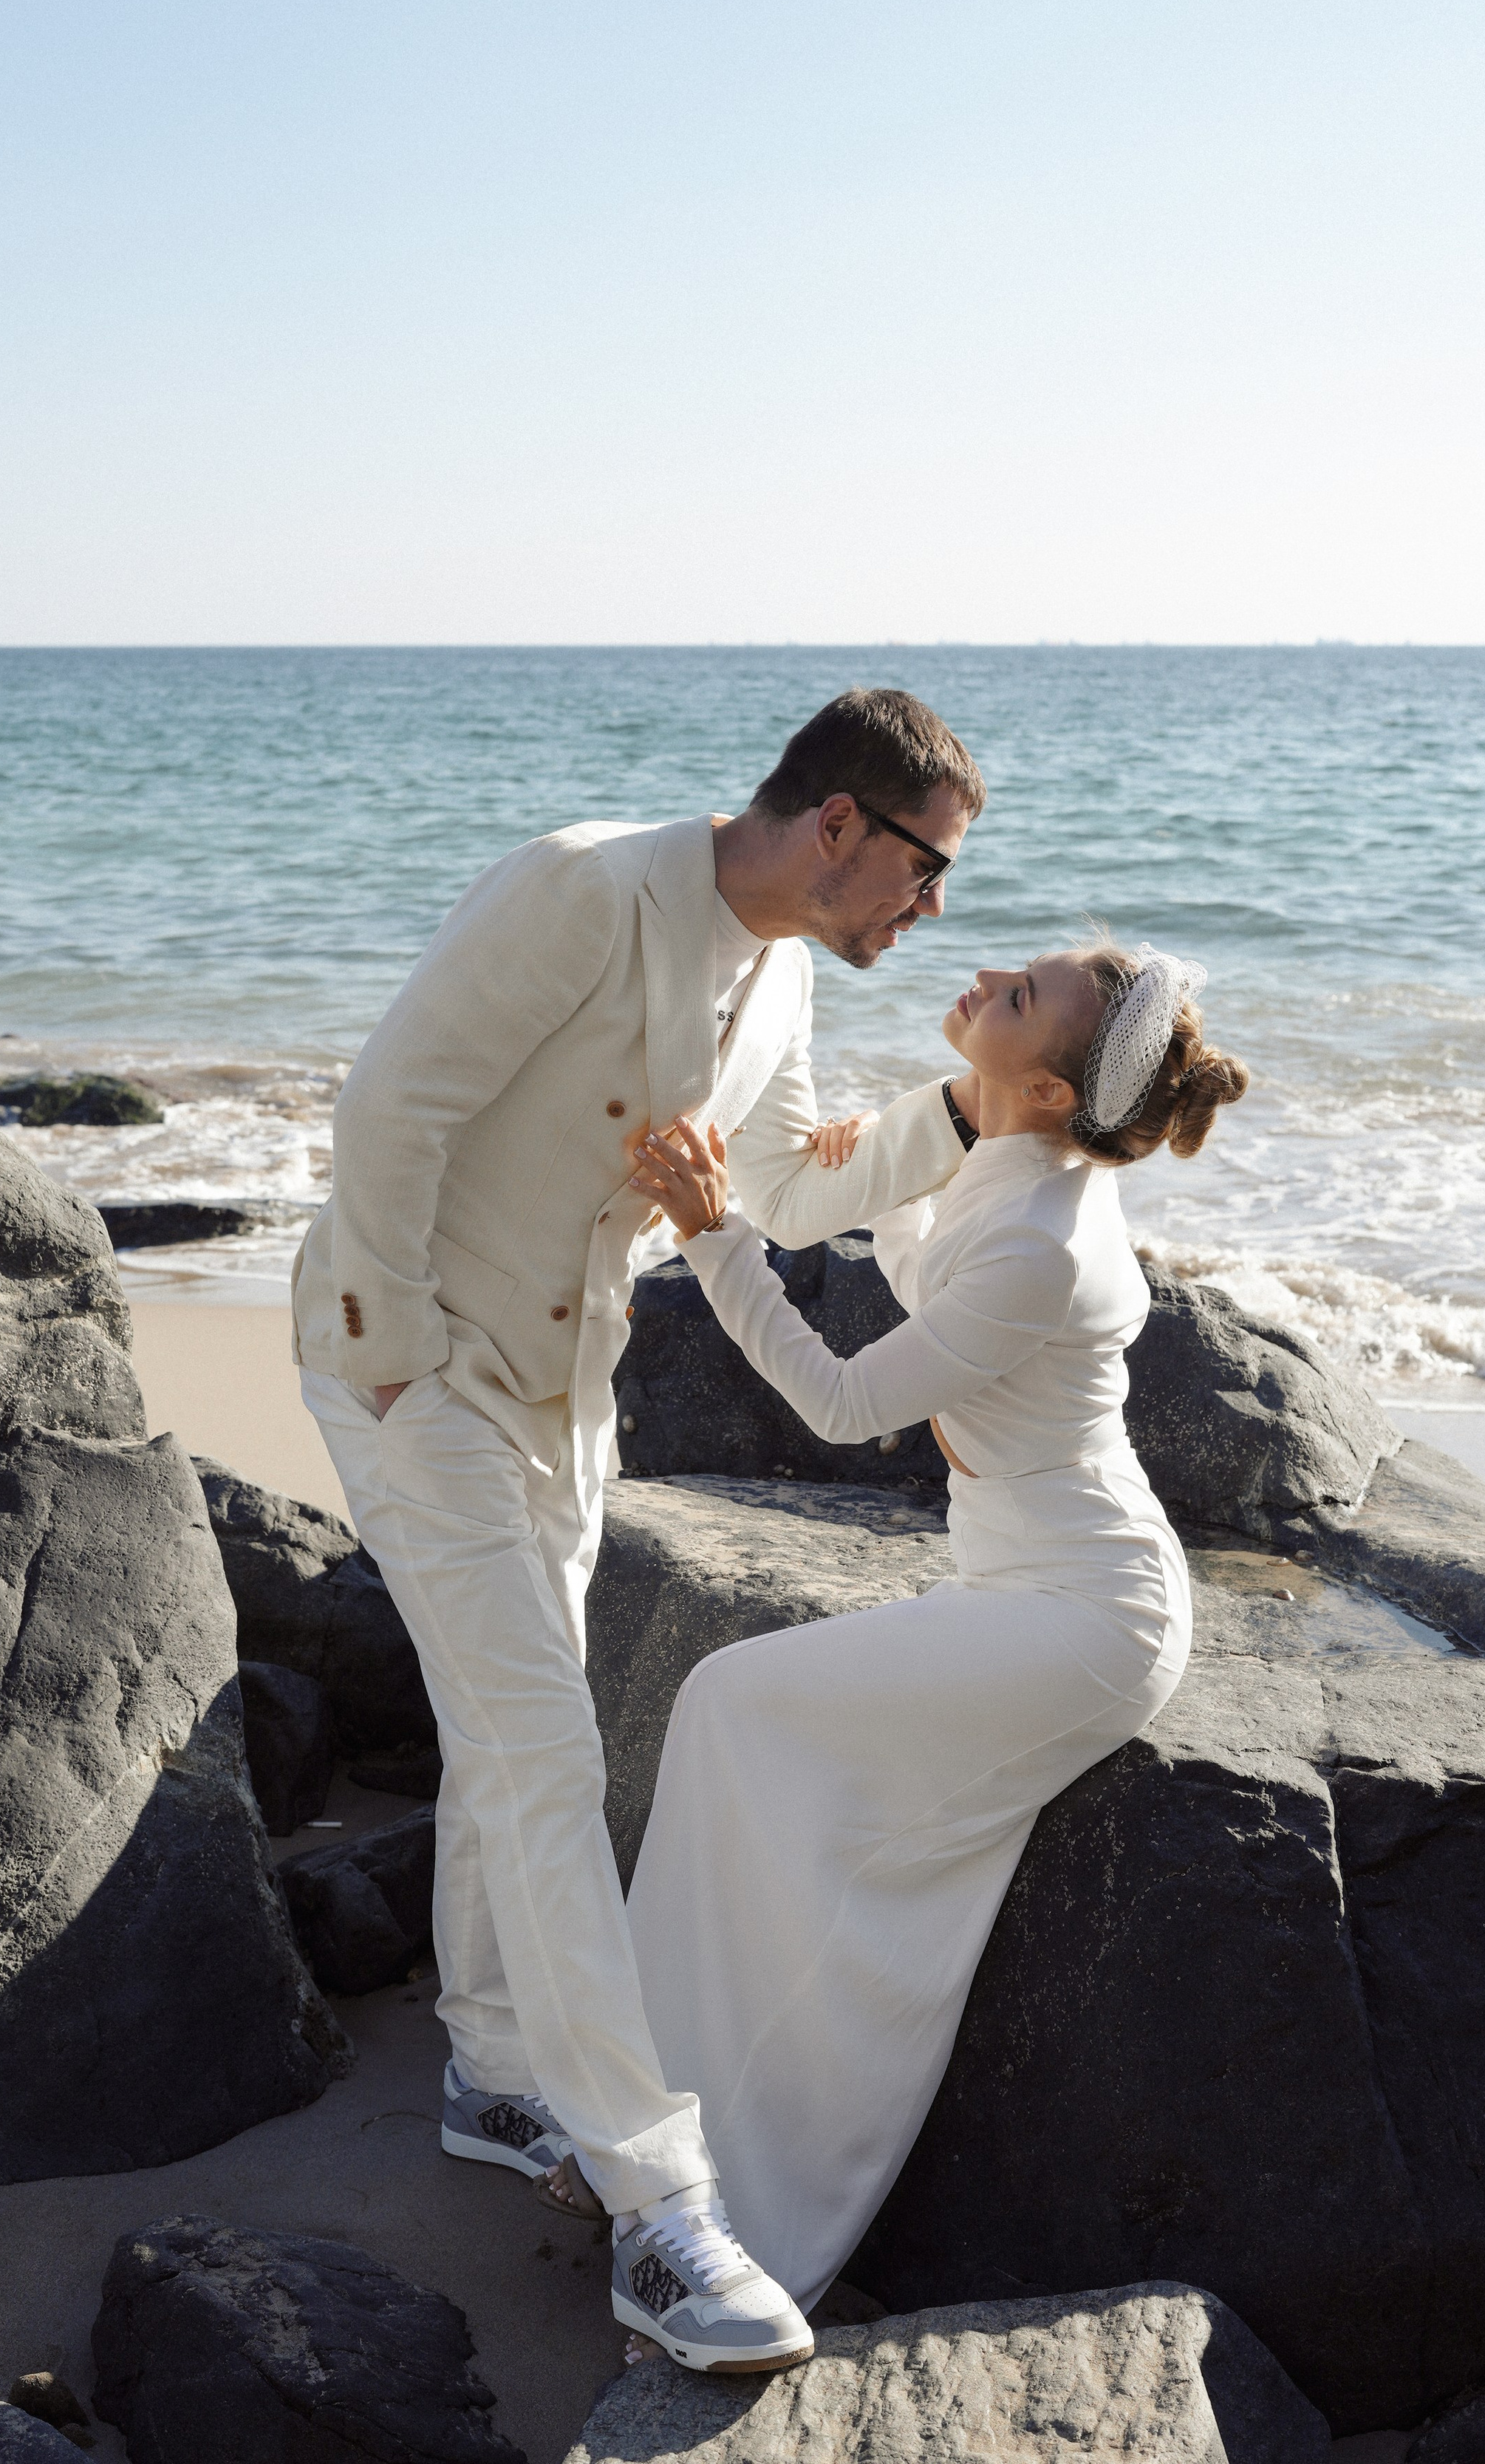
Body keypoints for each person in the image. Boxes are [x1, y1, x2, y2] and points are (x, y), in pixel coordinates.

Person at [291, 689, 986, 2375]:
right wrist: (393, 1369)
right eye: (925, 866)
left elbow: (785, 1189)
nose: (931, 905)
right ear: (840, 824)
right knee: (538, 1745)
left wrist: (977, 1116)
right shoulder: (583, 889)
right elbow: (394, 1108)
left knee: (510, 1727)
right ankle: (658, 2215)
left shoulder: (786, 972)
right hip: (429, 1374)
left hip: (567, 1390)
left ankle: (491, 2067)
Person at [610, 938, 1248, 2337]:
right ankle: (646, 2136)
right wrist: (860, 1168)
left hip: (1084, 1618)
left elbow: (843, 1405)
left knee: (730, 1706)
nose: (994, 974)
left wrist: (717, 1234)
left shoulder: (1040, 1239)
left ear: (1043, 1089)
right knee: (756, 1752)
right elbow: (908, 1252)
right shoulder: (1015, 1172)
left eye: (1024, 999)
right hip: (1021, 1587)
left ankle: (729, 2202)